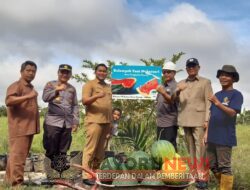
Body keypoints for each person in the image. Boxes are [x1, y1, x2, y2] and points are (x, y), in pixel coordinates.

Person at [174, 58, 213, 189]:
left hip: (199, 120)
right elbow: (173, 100)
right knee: (190, 148)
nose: (191, 68)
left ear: (198, 67)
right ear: (186, 69)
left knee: (200, 149)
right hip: (185, 119)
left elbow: (209, 102)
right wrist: (178, 91)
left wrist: (207, 119)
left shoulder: (205, 82)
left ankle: (203, 177)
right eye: (189, 66)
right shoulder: (180, 83)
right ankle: (193, 175)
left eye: (193, 66)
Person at [204, 65, 243, 190]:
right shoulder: (217, 94)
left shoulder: (236, 95)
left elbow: (232, 113)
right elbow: (211, 115)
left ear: (233, 78)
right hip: (212, 136)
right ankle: (224, 185)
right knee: (212, 165)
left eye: (227, 75)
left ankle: (225, 187)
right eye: (221, 75)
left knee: (224, 167)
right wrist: (206, 134)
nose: (223, 77)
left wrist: (217, 103)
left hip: (225, 136)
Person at [5, 61, 39, 186]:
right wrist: (28, 96)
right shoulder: (16, 85)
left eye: (33, 71)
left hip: (28, 127)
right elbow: (9, 100)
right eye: (28, 70)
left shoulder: (30, 88)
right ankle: (16, 184)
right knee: (18, 158)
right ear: (21, 71)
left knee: (16, 156)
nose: (31, 73)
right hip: (19, 128)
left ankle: (8, 182)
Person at [42, 64, 79, 168]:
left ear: (70, 75)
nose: (64, 74)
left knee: (63, 149)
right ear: (58, 73)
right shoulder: (50, 84)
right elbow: (44, 98)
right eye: (62, 72)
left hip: (67, 123)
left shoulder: (72, 89)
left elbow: (75, 105)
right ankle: (49, 175)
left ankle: (60, 173)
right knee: (51, 148)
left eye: (67, 73)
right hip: (52, 122)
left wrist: (75, 122)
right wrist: (56, 90)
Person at [82, 63, 112, 185]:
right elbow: (84, 101)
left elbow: (110, 104)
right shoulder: (89, 85)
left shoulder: (109, 87)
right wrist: (97, 96)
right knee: (90, 149)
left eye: (104, 71)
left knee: (100, 151)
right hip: (94, 120)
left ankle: (94, 174)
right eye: (100, 71)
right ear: (95, 72)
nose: (102, 73)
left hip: (106, 122)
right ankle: (85, 175)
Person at [156, 61, 178, 151]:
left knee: (170, 148)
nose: (166, 74)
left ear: (174, 73)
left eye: (168, 72)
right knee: (161, 149)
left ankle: (173, 165)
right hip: (160, 122)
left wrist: (163, 93)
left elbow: (173, 101)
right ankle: (163, 165)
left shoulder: (176, 86)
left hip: (170, 122)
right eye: (164, 72)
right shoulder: (162, 85)